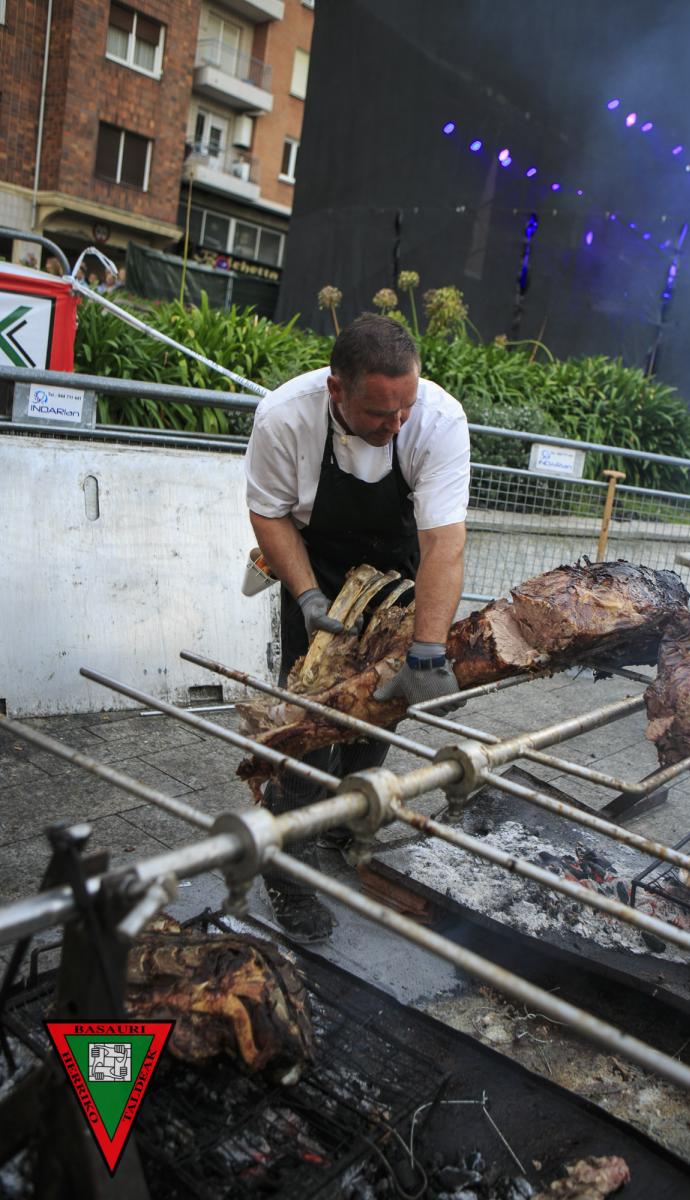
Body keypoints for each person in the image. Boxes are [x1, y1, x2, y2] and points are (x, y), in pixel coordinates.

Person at [244, 313, 470, 940]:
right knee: (311, 731)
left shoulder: (438, 421)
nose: (396, 424)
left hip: (396, 576)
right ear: (336, 389)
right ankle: (286, 874)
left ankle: (341, 831)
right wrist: (307, 595)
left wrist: (428, 649)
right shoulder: (284, 418)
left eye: (405, 407)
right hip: (317, 568)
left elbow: (443, 541)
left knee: (377, 717)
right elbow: (269, 512)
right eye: (378, 412)